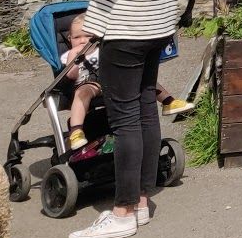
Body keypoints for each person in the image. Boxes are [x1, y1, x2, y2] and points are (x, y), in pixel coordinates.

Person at [63, 0, 195, 238]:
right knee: (144, 112)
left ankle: (122, 212)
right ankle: (139, 200)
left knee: (124, 123)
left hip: (125, 33)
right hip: (153, 32)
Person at [59, 15, 191, 151]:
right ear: (69, 39)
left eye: (87, 36)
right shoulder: (69, 54)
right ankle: (76, 131)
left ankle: (168, 101)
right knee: (82, 93)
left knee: (144, 78)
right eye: (76, 37)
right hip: (88, 84)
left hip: (113, 79)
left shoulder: (103, 48)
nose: (82, 41)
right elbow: (71, 75)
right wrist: (75, 57)